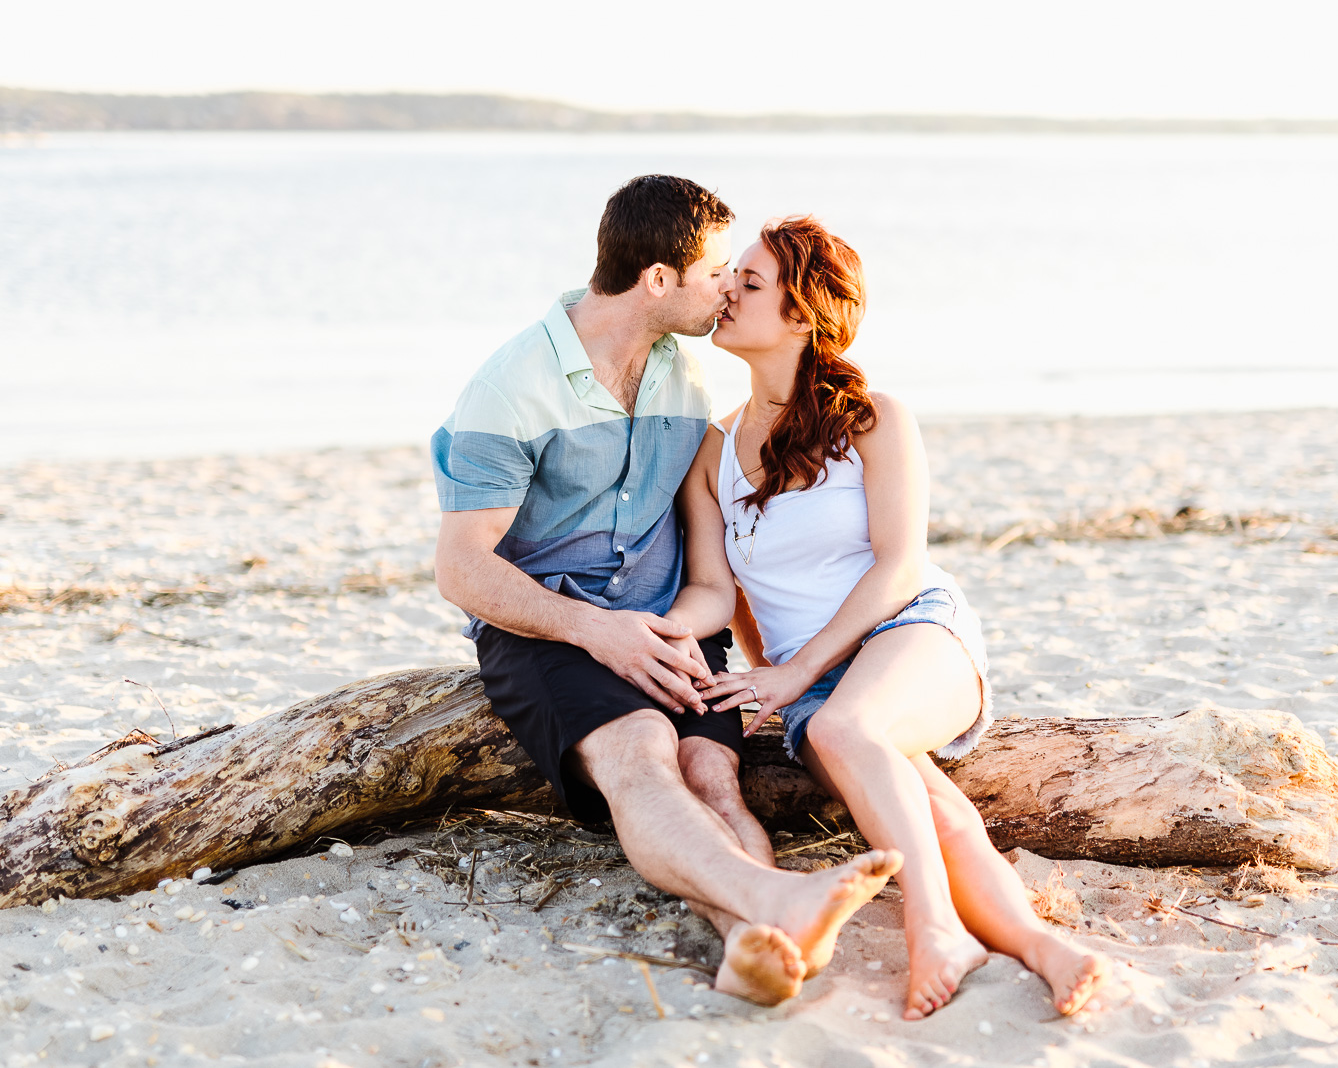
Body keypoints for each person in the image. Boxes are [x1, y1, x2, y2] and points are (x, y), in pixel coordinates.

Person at [430, 176, 898, 1007]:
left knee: (713, 777)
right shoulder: (509, 388)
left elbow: (711, 575)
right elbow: (462, 568)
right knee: (641, 758)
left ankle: (753, 945)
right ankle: (777, 898)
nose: (727, 287)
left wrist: (674, 630)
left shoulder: (685, 381)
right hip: (550, 632)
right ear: (656, 278)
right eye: (718, 270)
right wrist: (597, 632)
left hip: (673, 630)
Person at [681, 216, 1113, 1020]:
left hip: (910, 631)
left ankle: (934, 927)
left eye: (749, 283)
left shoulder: (873, 418)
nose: (725, 294)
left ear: (803, 313)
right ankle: (1043, 948)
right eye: (728, 277)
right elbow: (722, 591)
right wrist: (692, 648)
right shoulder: (712, 451)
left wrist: (798, 672)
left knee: (846, 731)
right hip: (820, 682)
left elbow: (899, 565)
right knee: (935, 810)